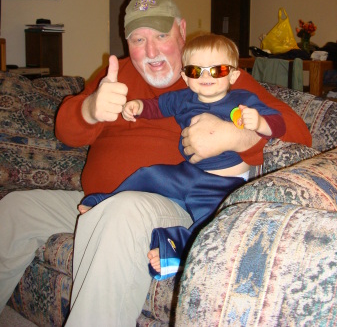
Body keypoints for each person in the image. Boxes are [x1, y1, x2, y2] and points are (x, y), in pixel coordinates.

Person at [0, 0, 312, 327]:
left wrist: (235, 134)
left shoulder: (212, 76)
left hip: (168, 202)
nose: (151, 51)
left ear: (181, 30)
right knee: (15, 209)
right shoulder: (114, 77)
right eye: (138, 39)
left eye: (161, 36)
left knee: (123, 212)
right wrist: (90, 109)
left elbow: (298, 131)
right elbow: (66, 132)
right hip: (94, 200)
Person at [78, 34, 286, 280]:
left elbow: (280, 125)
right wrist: (138, 107)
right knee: (149, 173)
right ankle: (107, 201)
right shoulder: (183, 99)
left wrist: (260, 123)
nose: (206, 77)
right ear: (186, 76)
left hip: (222, 186)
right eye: (197, 71)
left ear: (233, 75)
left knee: (210, 225)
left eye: (217, 70)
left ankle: (177, 251)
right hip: (187, 174)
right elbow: (157, 106)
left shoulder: (243, 101)